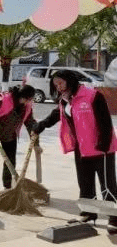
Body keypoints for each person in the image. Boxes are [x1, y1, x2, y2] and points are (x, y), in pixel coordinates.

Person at [33, 70, 117, 231]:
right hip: (82, 147)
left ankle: (114, 218)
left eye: (60, 83)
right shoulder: (65, 100)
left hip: (102, 148)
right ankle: (89, 214)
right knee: (85, 183)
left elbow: (105, 122)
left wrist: (104, 144)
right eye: (55, 84)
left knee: (107, 185)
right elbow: (56, 114)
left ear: (69, 80)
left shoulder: (93, 96)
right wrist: (41, 125)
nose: (58, 87)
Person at [0, 85, 37, 194]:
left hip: (10, 133)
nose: (28, 102)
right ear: (21, 96)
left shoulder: (26, 106)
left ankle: (8, 186)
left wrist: (36, 142)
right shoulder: (2, 100)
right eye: (27, 99)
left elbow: (30, 122)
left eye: (30, 100)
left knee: (11, 160)